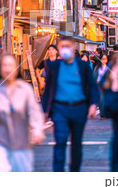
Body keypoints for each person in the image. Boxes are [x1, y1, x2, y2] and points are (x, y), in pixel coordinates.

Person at [42, 36, 99, 172]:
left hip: (79, 108)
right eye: (62, 47)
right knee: (60, 142)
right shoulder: (53, 66)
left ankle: (75, 172)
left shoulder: (83, 66)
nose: (65, 49)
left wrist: (93, 104)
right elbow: (48, 89)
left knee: (76, 144)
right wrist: (44, 111)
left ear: (73, 48)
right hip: (59, 109)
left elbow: (92, 87)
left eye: (68, 46)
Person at [0, 54, 45, 172]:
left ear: (16, 68)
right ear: (0, 69)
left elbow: (34, 112)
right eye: (4, 65)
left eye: (11, 65)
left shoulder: (25, 89)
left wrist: (37, 130)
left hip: (21, 143)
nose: (7, 69)